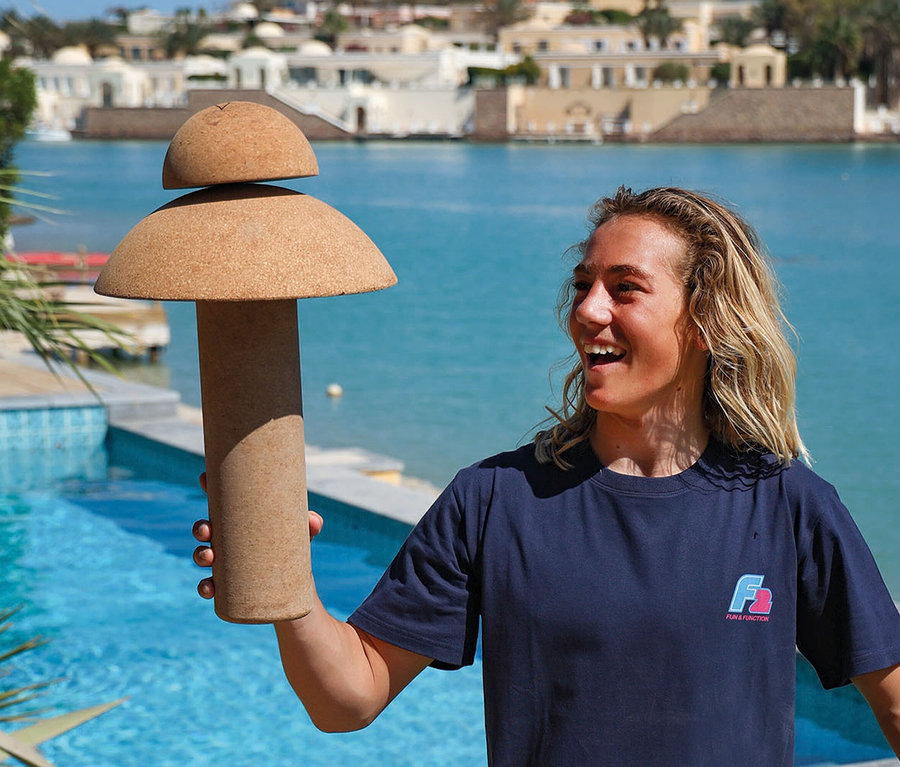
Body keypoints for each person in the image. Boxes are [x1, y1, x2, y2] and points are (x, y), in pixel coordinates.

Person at [193, 186, 900, 766]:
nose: (589, 309)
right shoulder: (494, 499)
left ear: (705, 322)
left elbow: (892, 699)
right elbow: (347, 697)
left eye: (626, 289)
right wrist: (285, 580)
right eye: (584, 285)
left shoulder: (787, 505)